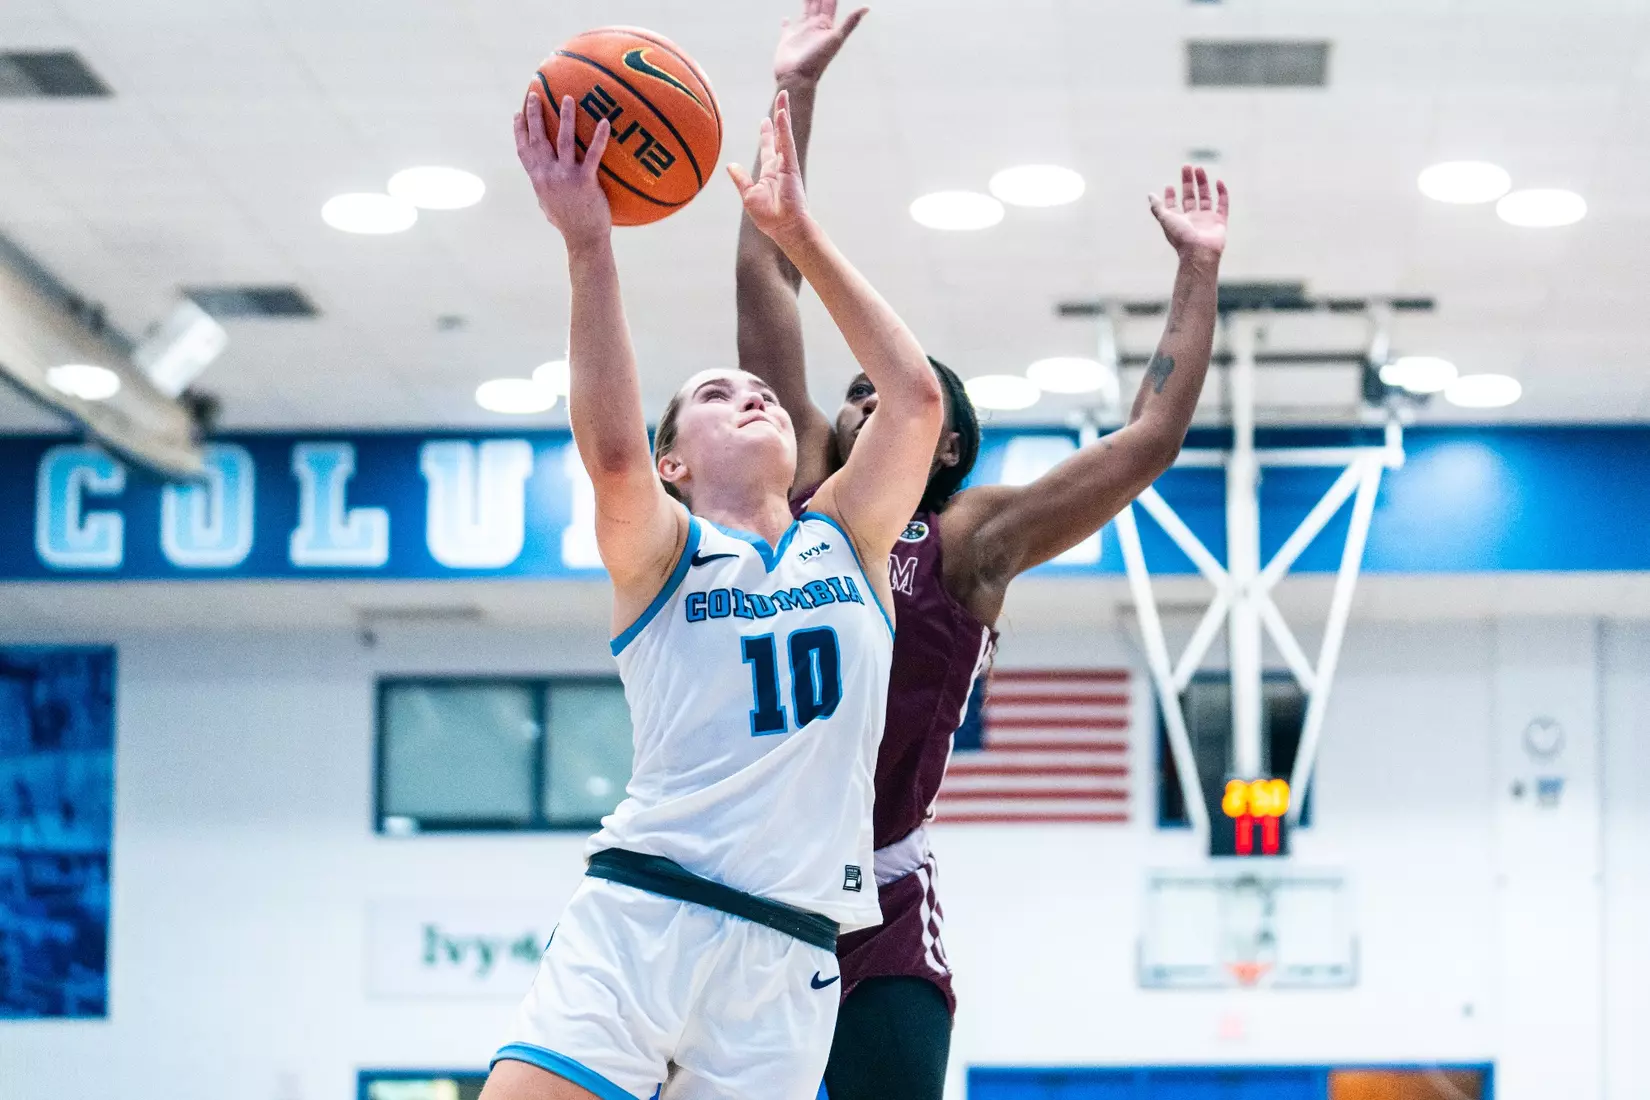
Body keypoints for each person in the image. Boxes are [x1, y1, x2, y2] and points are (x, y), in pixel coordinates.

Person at [734, 6, 1232, 1098]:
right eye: (854, 390)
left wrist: (1196, 270)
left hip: (881, 897)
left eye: (893, 391)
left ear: (943, 437)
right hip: (745, 874)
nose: (863, 396)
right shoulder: (802, 492)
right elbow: (768, 283)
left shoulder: (968, 541)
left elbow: (1149, 438)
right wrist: (795, 90)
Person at [486, 87, 943, 1100]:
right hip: (643, 916)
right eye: (714, 393)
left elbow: (914, 400)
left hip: (789, 956)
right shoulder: (664, 550)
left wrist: (802, 236)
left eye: (764, 390)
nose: (753, 391)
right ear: (675, 462)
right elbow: (608, 452)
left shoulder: (850, 544)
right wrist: (588, 247)